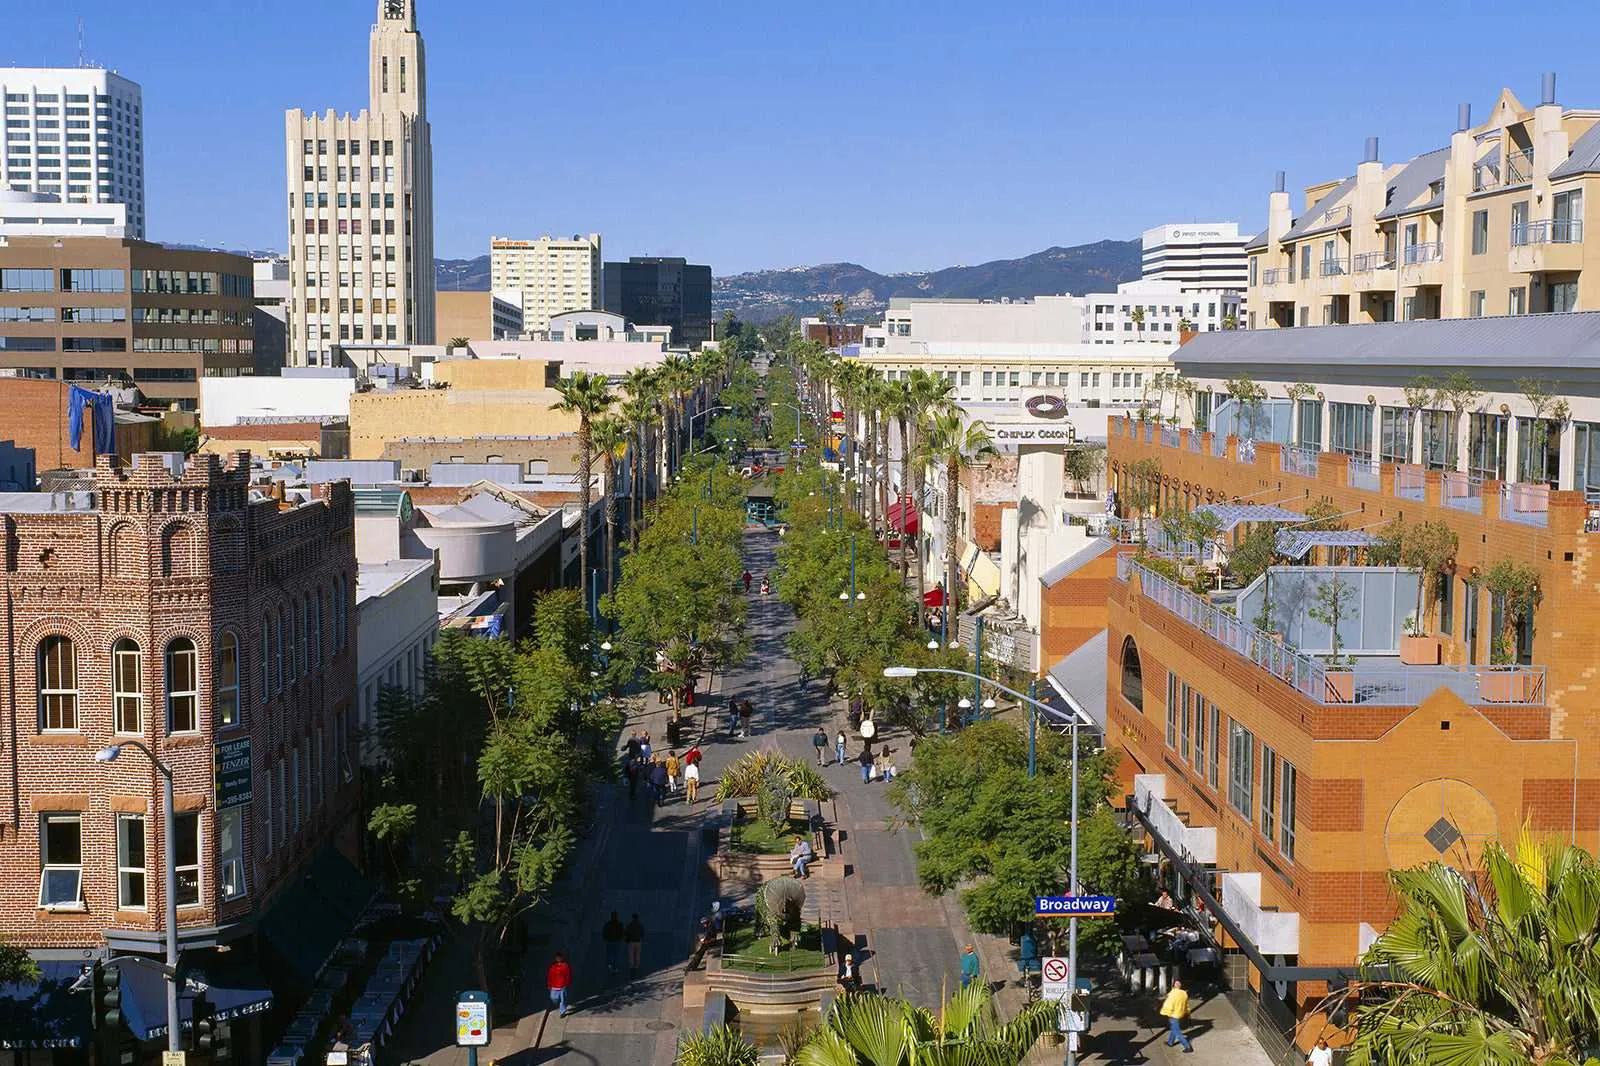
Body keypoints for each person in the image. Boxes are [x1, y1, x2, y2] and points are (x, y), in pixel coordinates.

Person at [1161, 978, 1194, 1053]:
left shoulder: (1172, 994)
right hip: (1181, 1014)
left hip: (1174, 1016)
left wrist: (1165, 1013)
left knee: (1178, 1033)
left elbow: (1168, 1006)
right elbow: (1186, 1005)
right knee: (1173, 1029)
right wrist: (1188, 1013)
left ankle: (1188, 1047)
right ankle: (1170, 1042)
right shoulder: (1184, 993)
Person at [547, 952, 572, 1018]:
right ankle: (557, 1004)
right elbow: (550, 976)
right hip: (554, 986)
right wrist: (549, 985)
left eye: (559, 957)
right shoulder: (553, 966)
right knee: (553, 998)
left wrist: (567, 983)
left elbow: (568, 975)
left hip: (562, 986)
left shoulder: (565, 965)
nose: (558, 959)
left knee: (563, 1000)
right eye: (557, 957)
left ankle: (562, 1012)